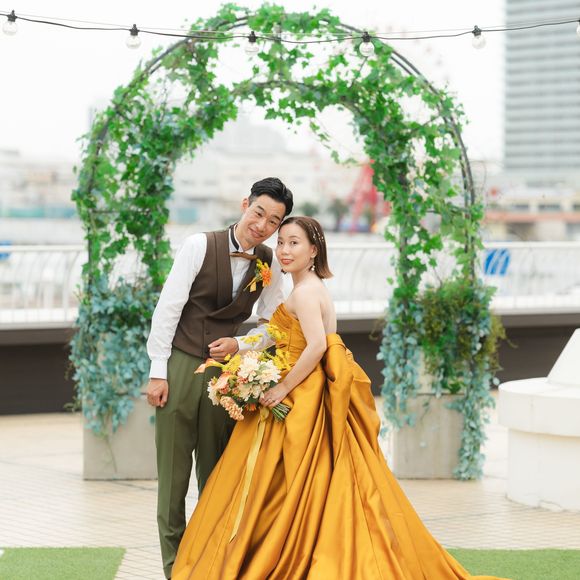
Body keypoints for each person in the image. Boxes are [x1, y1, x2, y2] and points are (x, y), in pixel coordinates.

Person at [171, 216, 507, 580]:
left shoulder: (305, 292)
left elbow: (317, 346)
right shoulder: (308, 288)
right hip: (307, 388)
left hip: (301, 393)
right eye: (281, 242)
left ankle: (288, 551)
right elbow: (293, 339)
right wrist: (249, 358)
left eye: (294, 243)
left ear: (314, 250)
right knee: (308, 481)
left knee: (291, 482)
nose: (284, 250)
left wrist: (281, 388)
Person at [146, 177, 294, 579]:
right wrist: (158, 371)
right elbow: (168, 309)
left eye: (274, 221)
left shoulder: (269, 262)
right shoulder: (198, 245)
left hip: (225, 378)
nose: (262, 225)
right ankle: (174, 570)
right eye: (259, 213)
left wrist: (241, 345)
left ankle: (207, 566)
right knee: (173, 478)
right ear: (245, 204)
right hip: (180, 365)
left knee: (216, 478)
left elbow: (274, 324)